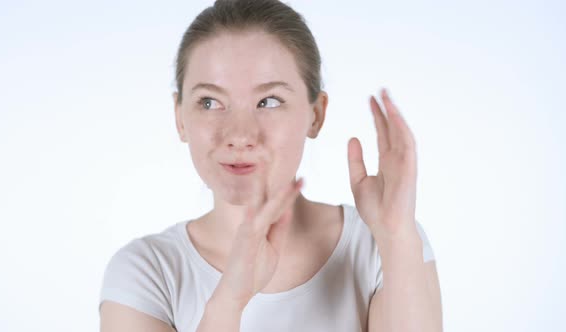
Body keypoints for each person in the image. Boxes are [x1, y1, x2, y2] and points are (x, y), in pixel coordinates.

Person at [98, 0, 443, 331]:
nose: (239, 134)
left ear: (316, 115)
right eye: (210, 102)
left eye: (269, 101)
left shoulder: (381, 245)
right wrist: (229, 301)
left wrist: (397, 238)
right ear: (180, 118)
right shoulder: (145, 272)